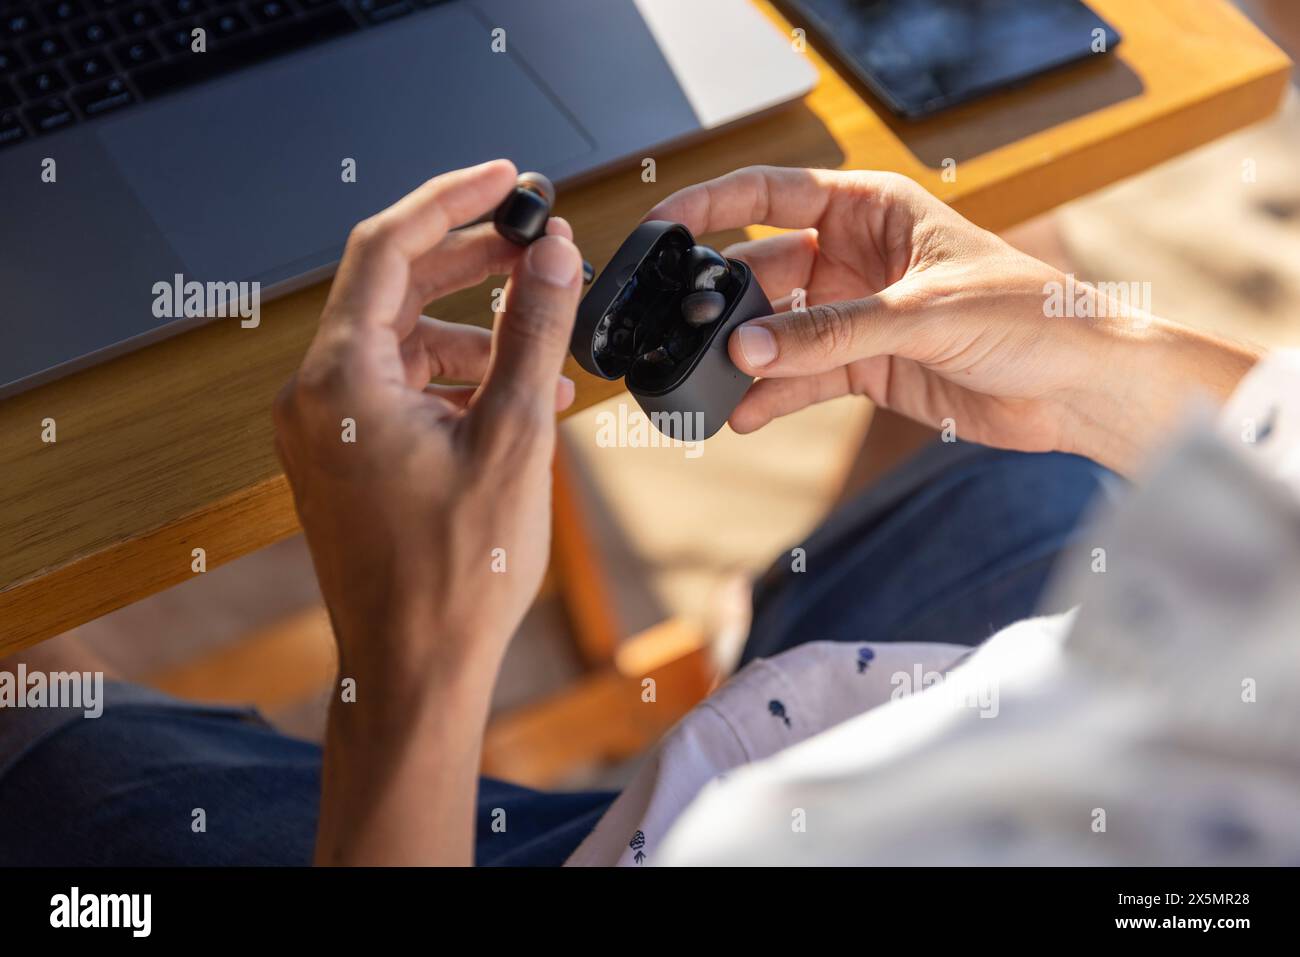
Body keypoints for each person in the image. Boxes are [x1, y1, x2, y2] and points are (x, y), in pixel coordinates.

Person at [1, 160, 1294, 866]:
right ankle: (772, 641)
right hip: (945, 701)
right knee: (1022, 430)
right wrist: (1106, 365)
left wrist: (419, 668)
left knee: (44, 747)